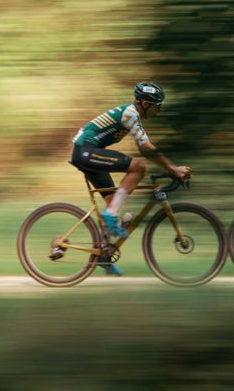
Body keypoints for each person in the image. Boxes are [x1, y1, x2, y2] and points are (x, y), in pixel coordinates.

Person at [70, 81, 191, 275]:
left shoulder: (132, 115)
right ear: (144, 103)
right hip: (86, 152)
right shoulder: (131, 113)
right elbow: (146, 148)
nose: (159, 110)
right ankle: (110, 217)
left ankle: (103, 256)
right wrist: (173, 169)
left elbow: (145, 145)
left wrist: (171, 168)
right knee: (139, 166)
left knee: (112, 204)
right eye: (156, 105)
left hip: (90, 152)